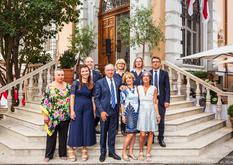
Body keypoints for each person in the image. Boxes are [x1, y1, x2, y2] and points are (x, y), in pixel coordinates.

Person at [40, 69, 71, 162]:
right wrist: (45, 115)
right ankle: (48, 155)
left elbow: (71, 100)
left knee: (63, 136)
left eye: (62, 75)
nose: (61, 76)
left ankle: (63, 154)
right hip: (52, 116)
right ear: (54, 76)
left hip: (65, 116)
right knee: (51, 136)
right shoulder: (49, 87)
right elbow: (45, 101)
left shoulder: (69, 87)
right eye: (59, 75)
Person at [68, 65, 96, 161]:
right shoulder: (75, 83)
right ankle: (71, 149)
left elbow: (93, 98)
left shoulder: (91, 84)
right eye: (83, 71)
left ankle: (84, 149)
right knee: (75, 127)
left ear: (89, 72)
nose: (85, 73)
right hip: (77, 108)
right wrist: (72, 110)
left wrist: (94, 110)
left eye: (86, 71)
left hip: (88, 108)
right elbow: (72, 97)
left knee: (86, 128)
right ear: (80, 73)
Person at [94, 64, 121, 162]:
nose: (110, 72)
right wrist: (101, 111)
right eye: (108, 70)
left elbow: (121, 91)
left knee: (112, 133)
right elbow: (96, 99)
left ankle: (112, 152)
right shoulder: (99, 82)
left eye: (112, 70)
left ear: (114, 71)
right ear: (105, 71)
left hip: (114, 110)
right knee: (103, 133)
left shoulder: (118, 81)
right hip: (104, 112)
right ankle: (103, 152)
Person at [137, 71, 160, 161]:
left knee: (150, 133)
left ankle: (148, 153)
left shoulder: (154, 88)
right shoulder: (138, 88)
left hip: (151, 111)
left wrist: (157, 114)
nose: (146, 78)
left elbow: (155, 102)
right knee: (142, 134)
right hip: (142, 112)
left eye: (147, 76)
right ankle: (141, 151)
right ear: (142, 78)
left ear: (150, 78)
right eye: (144, 76)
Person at [150, 56, 170, 147]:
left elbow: (167, 88)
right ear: (151, 63)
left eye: (157, 61)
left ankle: (161, 138)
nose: (155, 63)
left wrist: (167, 100)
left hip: (161, 100)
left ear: (160, 63)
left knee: (161, 120)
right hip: (150, 101)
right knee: (151, 120)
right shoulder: (148, 73)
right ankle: (151, 137)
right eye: (154, 62)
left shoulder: (164, 73)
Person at [120, 72, 139, 161]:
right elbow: (122, 104)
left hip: (138, 112)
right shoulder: (124, 90)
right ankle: (124, 152)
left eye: (130, 78)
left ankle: (131, 152)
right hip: (129, 112)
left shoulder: (137, 89)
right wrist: (123, 115)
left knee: (134, 133)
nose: (128, 79)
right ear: (124, 80)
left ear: (133, 79)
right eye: (126, 78)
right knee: (130, 133)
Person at [84, 56, 102, 134]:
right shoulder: (81, 72)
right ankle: (88, 128)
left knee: (97, 113)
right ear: (85, 63)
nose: (89, 63)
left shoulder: (97, 74)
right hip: (85, 97)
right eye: (88, 62)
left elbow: (101, 84)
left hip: (96, 96)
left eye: (91, 62)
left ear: (93, 64)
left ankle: (93, 127)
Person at [114, 58, 127, 135]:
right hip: (116, 95)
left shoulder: (126, 74)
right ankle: (115, 129)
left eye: (122, 63)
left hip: (125, 96)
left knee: (123, 112)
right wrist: (119, 87)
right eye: (119, 63)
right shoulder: (114, 74)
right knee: (115, 113)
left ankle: (123, 128)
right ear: (117, 65)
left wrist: (125, 87)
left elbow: (130, 83)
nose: (121, 65)